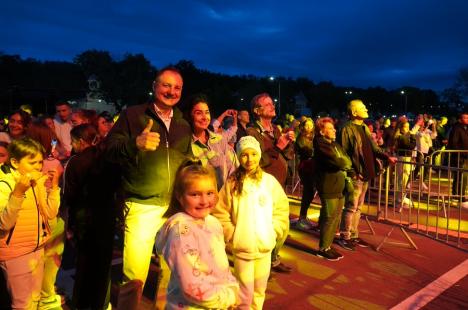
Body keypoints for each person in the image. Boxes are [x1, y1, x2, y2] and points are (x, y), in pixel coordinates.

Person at [105, 66, 191, 309]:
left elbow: (183, 160)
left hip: (173, 208)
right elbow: (109, 149)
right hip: (141, 204)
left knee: (172, 270)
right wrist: (135, 143)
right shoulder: (133, 115)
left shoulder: (183, 123)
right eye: (166, 85)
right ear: (154, 86)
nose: (171, 91)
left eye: (177, 88)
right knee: (134, 276)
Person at [212, 136, 289, 309]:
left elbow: (281, 209)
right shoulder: (232, 183)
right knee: (244, 291)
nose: (249, 159)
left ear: (259, 155)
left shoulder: (269, 182)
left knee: (260, 290)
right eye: (244, 155)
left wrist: (274, 231)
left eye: (253, 154)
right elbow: (220, 212)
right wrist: (232, 234)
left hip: (264, 248)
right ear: (239, 157)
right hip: (242, 250)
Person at [156, 159, 239, 309]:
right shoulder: (181, 231)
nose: (204, 200)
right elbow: (191, 285)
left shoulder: (212, 222)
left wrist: (231, 286)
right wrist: (226, 298)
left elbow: (221, 264)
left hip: (216, 303)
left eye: (210, 193)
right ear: (179, 196)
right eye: (195, 194)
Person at [0, 138, 61, 309]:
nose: (38, 167)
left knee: (35, 299)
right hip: (15, 253)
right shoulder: (4, 183)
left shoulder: (37, 182)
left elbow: (50, 213)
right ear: (14, 162)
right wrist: (18, 193)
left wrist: (54, 188)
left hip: (37, 248)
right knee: (22, 304)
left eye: (40, 162)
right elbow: (4, 224)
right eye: (32, 162)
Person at [63, 124, 119, 309]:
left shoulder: (75, 162)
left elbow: (69, 196)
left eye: (72, 141)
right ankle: (100, 304)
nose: (71, 144)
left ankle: (81, 303)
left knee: (84, 265)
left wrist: (69, 225)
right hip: (106, 218)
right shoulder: (107, 158)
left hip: (84, 220)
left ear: (80, 141)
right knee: (103, 266)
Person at [337, 99, 397, 251]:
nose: (366, 109)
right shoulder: (346, 129)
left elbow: (374, 148)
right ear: (354, 112)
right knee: (351, 207)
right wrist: (351, 172)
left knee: (358, 207)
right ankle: (345, 236)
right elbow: (342, 154)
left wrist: (386, 157)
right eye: (362, 107)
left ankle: (353, 234)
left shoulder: (364, 127)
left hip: (365, 173)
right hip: (356, 174)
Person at [246, 93, 294, 273]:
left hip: (278, 186)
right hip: (262, 187)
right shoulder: (252, 132)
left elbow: (287, 156)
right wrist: (279, 146)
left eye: (271, 102)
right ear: (257, 111)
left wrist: (288, 143)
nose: (272, 105)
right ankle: (261, 264)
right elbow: (257, 161)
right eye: (266, 104)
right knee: (261, 228)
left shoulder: (276, 129)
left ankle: (273, 258)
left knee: (281, 227)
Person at [26, 121, 66, 309]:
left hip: (35, 218)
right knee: (49, 263)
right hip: (49, 216)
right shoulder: (52, 163)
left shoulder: (25, 162)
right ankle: (47, 297)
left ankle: (38, 297)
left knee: (36, 263)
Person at [314, 117, 353, 261]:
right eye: (330, 128)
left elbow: (346, 160)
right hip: (328, 185)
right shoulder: (320, 144)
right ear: (322, 131)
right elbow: (339, 161)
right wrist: (343, 162)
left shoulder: (334, 144)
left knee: (336, 217)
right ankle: (322, 248)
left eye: (333, 127)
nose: (334, 130)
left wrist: (344, 162)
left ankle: (328, 246)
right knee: (329, 218)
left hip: (339, 185)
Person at [185, 93, 239, 189]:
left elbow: (232, 168)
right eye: (198, 113)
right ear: (189, 115)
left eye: (207, 112)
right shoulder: (186, 143)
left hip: (223, 198)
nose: (204, 117)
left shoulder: (219, 140)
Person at [294, 117, 317, 230]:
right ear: (303, 126)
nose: (309, 127)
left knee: (311, 191)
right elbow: (307, 151)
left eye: (310, 125)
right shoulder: (301, 138)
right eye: (306, 125)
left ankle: (304, 216)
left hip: (313, 166)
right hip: (305, 167)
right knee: (308, 191)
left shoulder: (314, 137)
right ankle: (302, 217)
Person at [447, 112, 468, 208]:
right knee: (460, 177)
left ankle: (458, 195)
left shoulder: (465, 128)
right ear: (460, 119)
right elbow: (453, 143)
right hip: (459, 157)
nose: (467, 120)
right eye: (465, 118)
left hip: (465, 157)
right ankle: (459, 197)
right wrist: (463, 152)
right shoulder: (456, 128)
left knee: (462, 177)